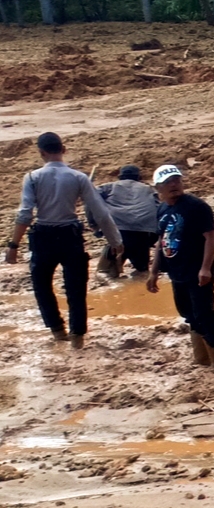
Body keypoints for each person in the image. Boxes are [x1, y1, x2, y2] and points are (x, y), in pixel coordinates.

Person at [9, 132, 121, 347]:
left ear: (41, 152)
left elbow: (25, 214)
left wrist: (13, 245)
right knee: (76, 288)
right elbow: (100, 212)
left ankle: (57, 331)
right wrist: (115, 241)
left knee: (42, 286)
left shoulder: (32, 177)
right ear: (64, 149)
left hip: (43, 237)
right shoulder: (78, 177)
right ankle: (77, 337)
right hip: (70, 236)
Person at [147, 164, 214, 366]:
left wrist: (205, 268)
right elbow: (162, 240)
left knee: (204, 313)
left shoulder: (196, 206)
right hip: (176, 271)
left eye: (176, 180)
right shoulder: (162, 209)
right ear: (157, 188)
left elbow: (210, 237)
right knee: (187, 313)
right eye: (168, 182)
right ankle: (202, 358)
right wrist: (154, 271)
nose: (173, 185)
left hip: (197, 269)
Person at [97, 166, 162, 278]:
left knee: (104, 273)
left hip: (117, 233)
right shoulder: (149, 189)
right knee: (142, 272)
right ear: (138, 177)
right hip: (142, 235)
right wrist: (152, 238)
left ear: (119, 177)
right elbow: (160, 210)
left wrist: (95, 226)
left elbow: (91, 200)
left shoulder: (108, 187)